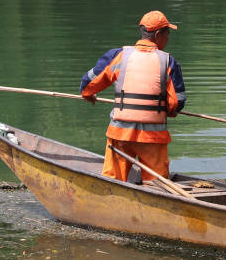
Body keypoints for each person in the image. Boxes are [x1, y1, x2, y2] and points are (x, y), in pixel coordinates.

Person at [80, 10, 186, 184]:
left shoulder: (119, 55)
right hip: (153, 138)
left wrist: (88, 94)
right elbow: (177, 102)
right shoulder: (169, 62)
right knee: (156, 185)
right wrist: (167, 111)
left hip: (120, 134)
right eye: (167, 34)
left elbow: (88, 82)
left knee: (113, 181)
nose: (168, 38)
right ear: (158, 35)